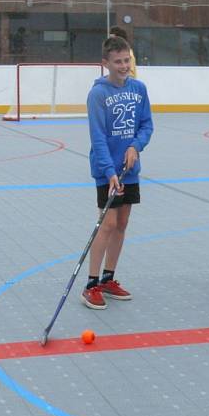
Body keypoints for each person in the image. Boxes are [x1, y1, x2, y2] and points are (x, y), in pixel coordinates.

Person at [82, 35, 153, 309]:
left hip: (130, 170)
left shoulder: (139, 88)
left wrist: (136, 146)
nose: (124, 66)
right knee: (107, 224)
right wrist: (109, 171)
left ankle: (109, 279)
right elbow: (98, 137)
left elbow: (146, 125)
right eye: (118, 62)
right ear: (105, 64)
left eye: (127, 60)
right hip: (106, 170)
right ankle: (91, 284)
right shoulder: (98, 94)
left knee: (122, 224)